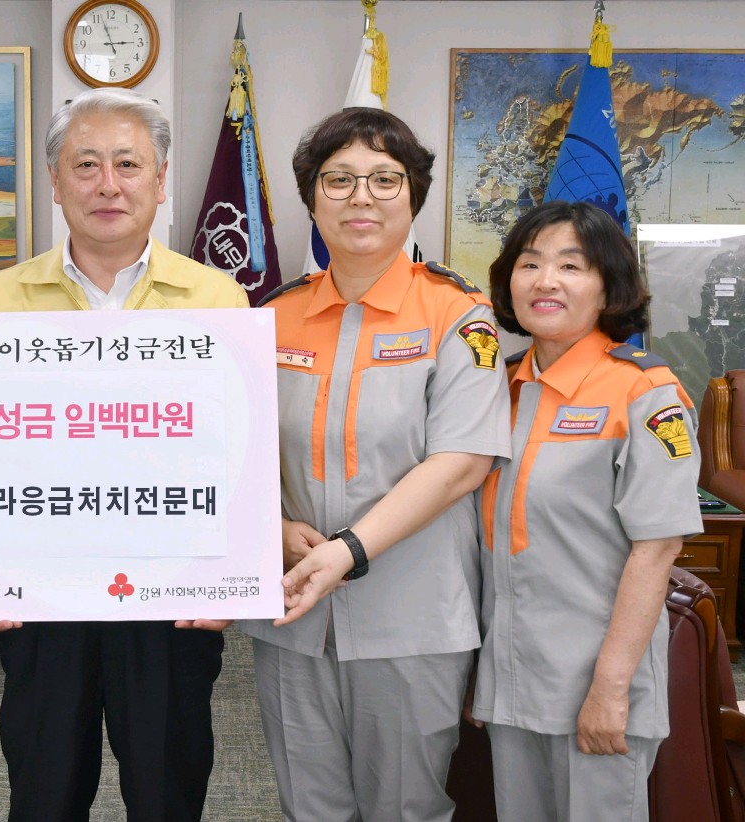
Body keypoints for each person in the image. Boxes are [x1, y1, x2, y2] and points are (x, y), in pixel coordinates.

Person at [0, 87, 248, 822]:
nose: (108, 184)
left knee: (166, 791)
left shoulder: (219, 300)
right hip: (41, 590)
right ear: (55, 182)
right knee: (44, 790)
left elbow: (238, 454)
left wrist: (232, 576)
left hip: (172, 593)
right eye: (85, 164)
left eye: (128, 164)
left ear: (161, 180)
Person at [240, 107, 511, 821]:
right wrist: (270, 527)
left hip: (412, 618)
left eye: (385, 179)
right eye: (339, 179)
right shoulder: (271, 317)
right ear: (311, 199)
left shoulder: (458, 316)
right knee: (310, 807)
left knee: (404, 808)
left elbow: (461, 462)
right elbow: (232, 452)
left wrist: (348, 550)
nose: (361, 197)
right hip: (294, 612)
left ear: (412, 196)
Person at [472, 200, 702, 820]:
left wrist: (610, 688)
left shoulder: (644, 392)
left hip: (597, 686)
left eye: (571, 266)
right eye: (529, 264)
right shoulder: (499, 390)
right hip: (510, 681)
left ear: (609, 286)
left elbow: (658, 547)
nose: (545, 280)